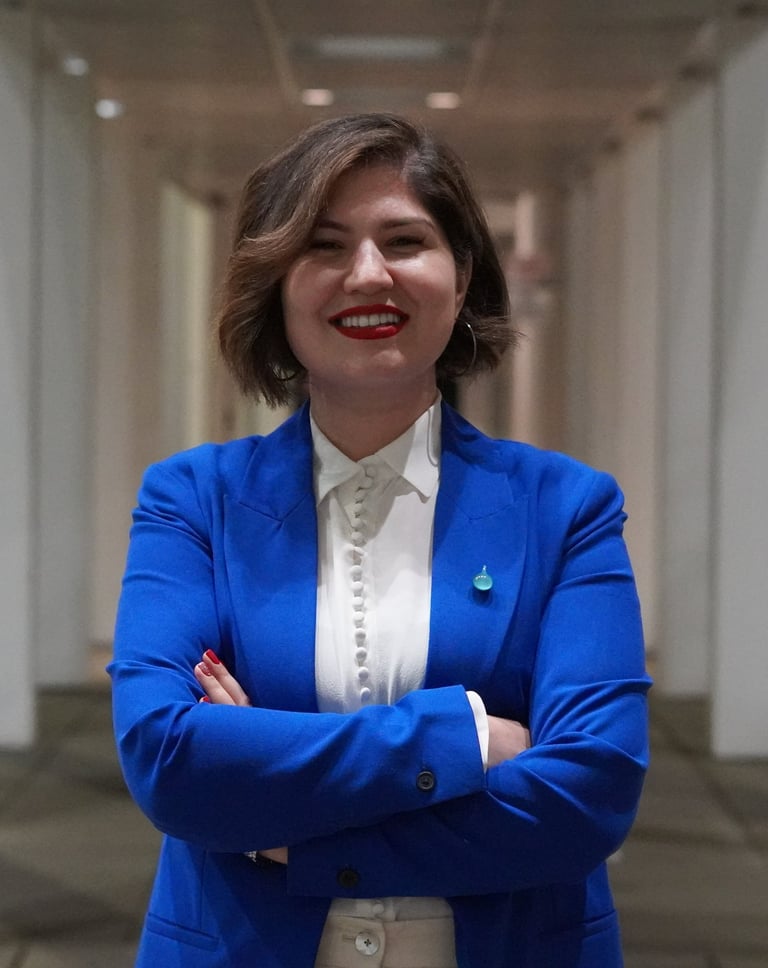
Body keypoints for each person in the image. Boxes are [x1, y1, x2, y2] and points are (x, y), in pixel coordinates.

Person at [109, 112, 651, 968]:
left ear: (461, 276)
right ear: (276, 284)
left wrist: (293, 833)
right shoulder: (194, 502)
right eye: (324, 246)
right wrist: (464, 738)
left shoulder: (565, 509)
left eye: (405, 241)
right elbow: (170, 760)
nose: (368, 274)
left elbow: (589, 794)